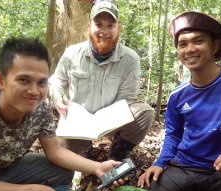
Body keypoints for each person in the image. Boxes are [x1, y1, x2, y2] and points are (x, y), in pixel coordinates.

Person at [0, 37, 125, 191]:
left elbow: (55, 152)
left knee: (62, 170)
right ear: (0, 80)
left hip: (1, 174)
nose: (34, 91)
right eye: (23, 80)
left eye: (41, 83)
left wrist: (97, 168)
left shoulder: (39, 107)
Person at [123, 11, 221, 191]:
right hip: (184, 167)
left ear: (215, 46)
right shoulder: (178, 94)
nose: (190, 49)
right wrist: (160, 162)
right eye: (182, 44)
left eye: (198, 41)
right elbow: (174, 134)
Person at [49, 0, 154, 160]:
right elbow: (56, 81)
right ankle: (86, 154)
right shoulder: (72, 53)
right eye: (99, 24)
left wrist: (101, 122)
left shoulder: (130, 59)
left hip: (110, 119)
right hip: (77, 122)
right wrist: (57, 98)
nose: (104, 31)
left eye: (110, 25)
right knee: (65, 161)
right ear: (89, 26)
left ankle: (115, 158)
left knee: (145, 113)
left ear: (118, 28)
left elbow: (125, 99)